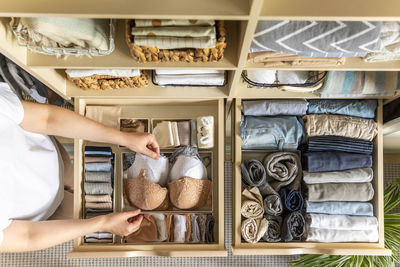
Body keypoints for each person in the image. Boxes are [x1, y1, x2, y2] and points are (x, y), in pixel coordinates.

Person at [0, 82, 160, 252]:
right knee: (86, 215)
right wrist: (102, 223)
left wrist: (124, 138)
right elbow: (27, 237)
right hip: (45, 218)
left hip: (54, 157)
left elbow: (47, 119)